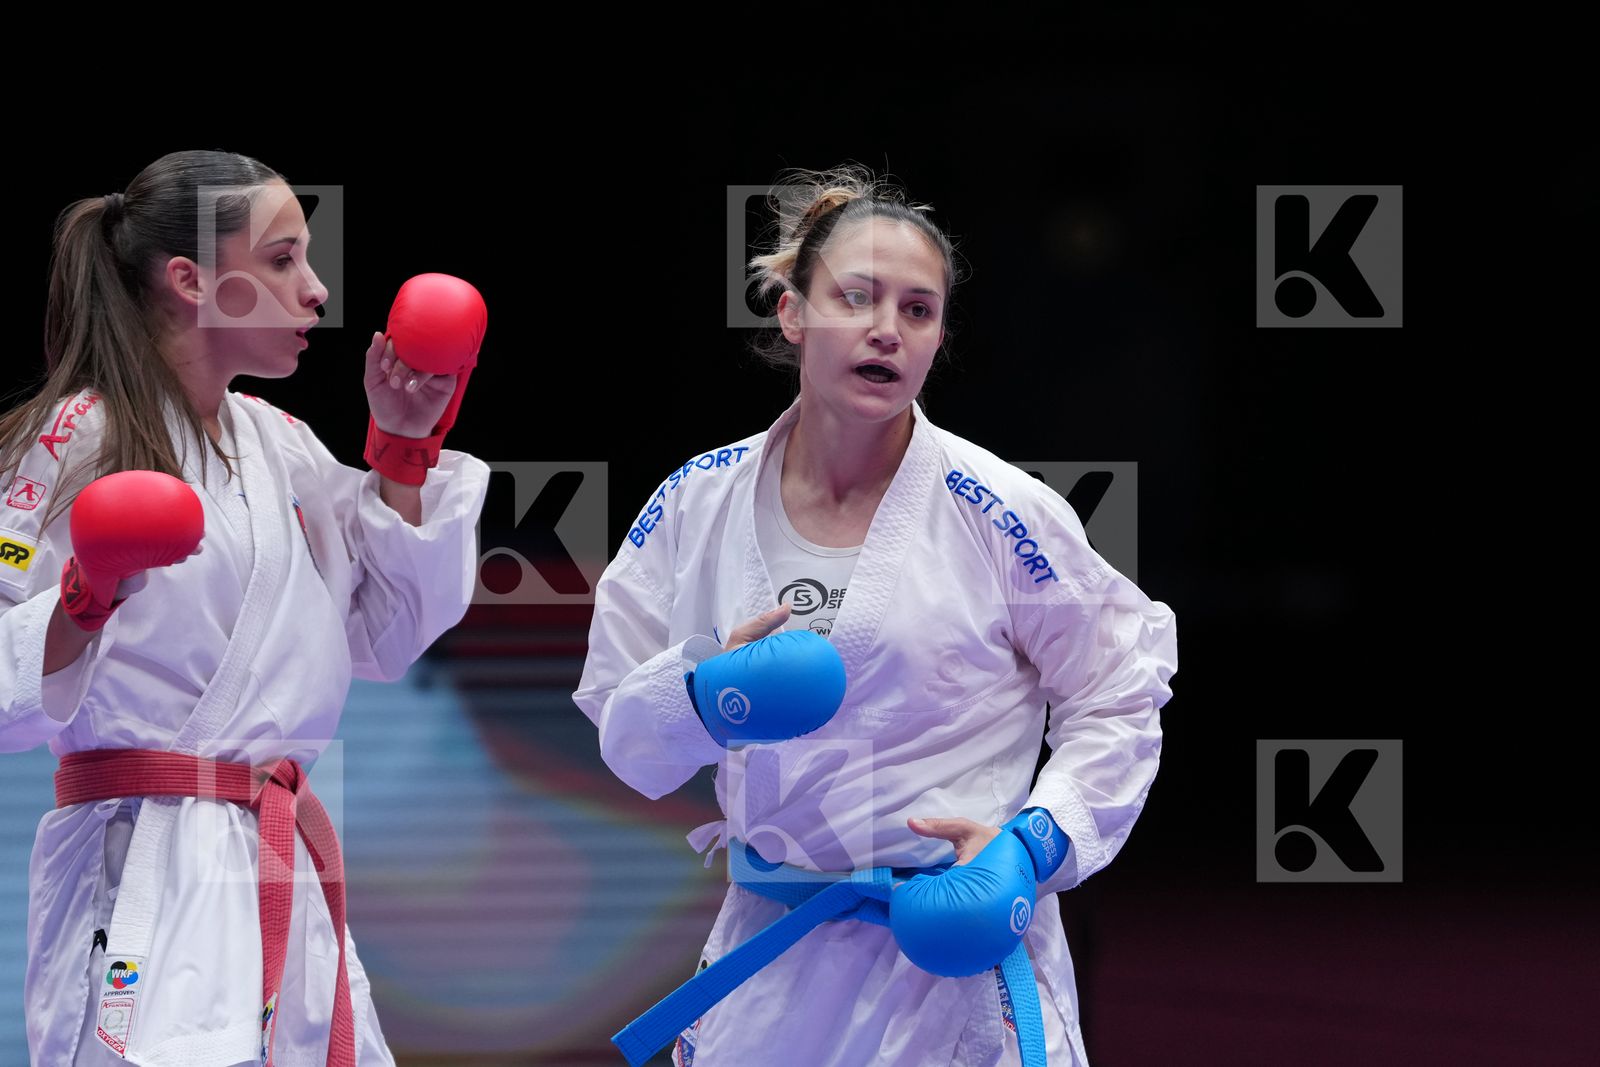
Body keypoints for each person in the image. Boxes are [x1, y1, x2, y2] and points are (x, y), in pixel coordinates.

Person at [572, 164, 1179, 1066]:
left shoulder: (1003, 511)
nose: (887, 331)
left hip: (955, 962)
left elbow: (1120, 691)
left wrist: (1035, 841)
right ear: (791, 312)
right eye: (856, 298)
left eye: (918, 309)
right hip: (773, 959)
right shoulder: (694, 503)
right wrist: (699, 694)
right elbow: (625, 735)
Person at [0, 150, 491, 1065]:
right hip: (139, 868)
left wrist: (403, 449)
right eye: (281, 259)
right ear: (190, 280)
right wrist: (81, 598)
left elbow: (387, 635)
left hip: (276, 864)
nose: (315, 291)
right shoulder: (73, 439)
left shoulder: (282, 443)